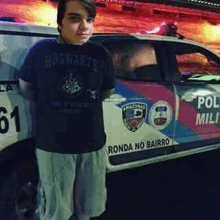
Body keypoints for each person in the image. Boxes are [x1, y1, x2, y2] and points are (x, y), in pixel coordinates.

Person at [18, 0, 115, 219]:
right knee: (56, 211)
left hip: (92, 144)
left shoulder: (100, 55)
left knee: (88, 208)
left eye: (89, 20)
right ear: (59, 22)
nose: (84, 26)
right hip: (54, 146)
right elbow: (26, 88)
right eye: (74, 18)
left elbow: (106, 91)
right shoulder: (41, 51)